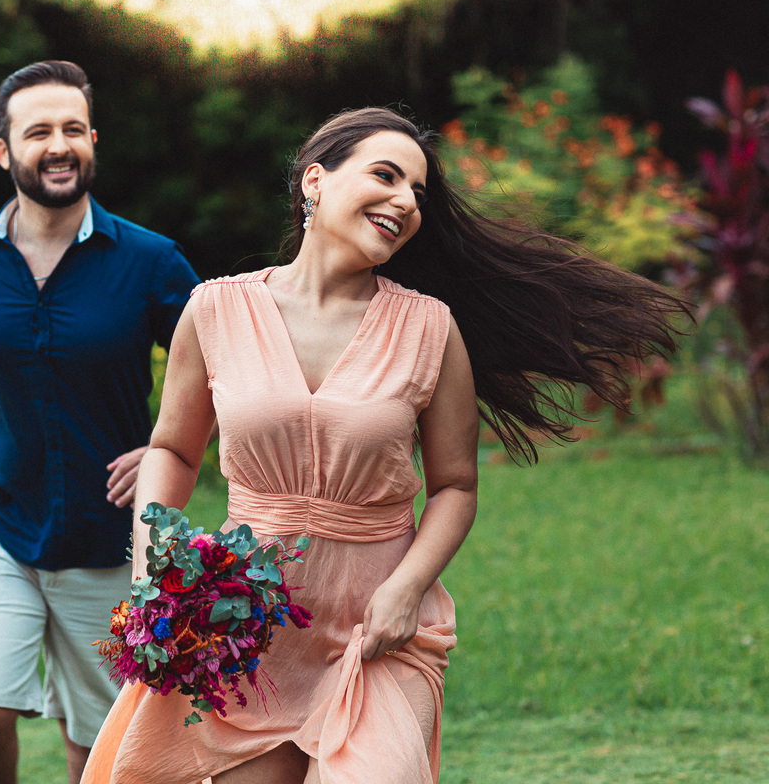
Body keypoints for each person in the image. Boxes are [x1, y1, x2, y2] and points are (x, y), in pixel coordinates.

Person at [82, 107, 686, 783]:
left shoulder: (431, 329)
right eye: (386, 176)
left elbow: (455, 487)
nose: (405, 201)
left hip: (379, 627)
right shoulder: (215, 310)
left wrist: (406, 589)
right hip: (249, 629)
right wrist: (154, 566)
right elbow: (173, 451)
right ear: (316, 181)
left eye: (418, 193)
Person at [0, 60, 200, 784]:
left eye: (74, 129)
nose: (59, 145)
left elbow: (224, 369)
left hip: (111, 535)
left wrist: (167, 449)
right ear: (4, 151)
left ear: (93, 140)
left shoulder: (150, 260)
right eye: (39, 132)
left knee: (97, 748)